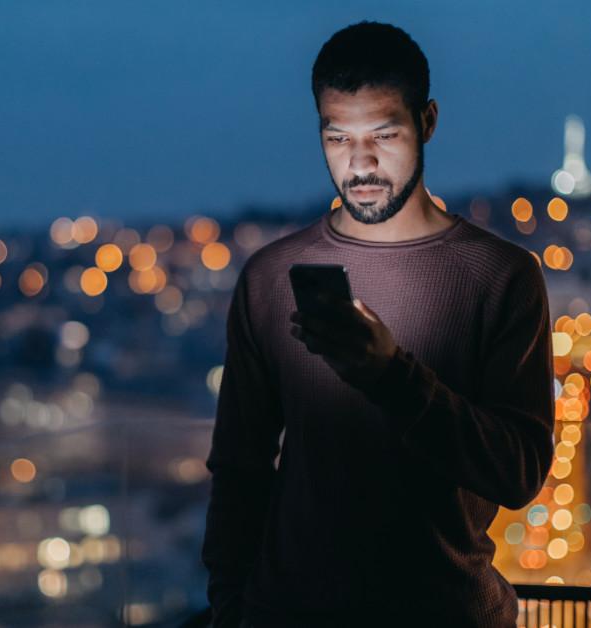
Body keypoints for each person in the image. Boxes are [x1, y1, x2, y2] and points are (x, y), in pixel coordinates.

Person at [200, 21, 555, 627]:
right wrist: (229, 609)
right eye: (337, 138)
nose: (359, 163)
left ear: (428, 122)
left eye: (383, 135)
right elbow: (239, 468)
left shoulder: (501, 277)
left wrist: (392, 376)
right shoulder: (271, 276)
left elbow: (518, 472)